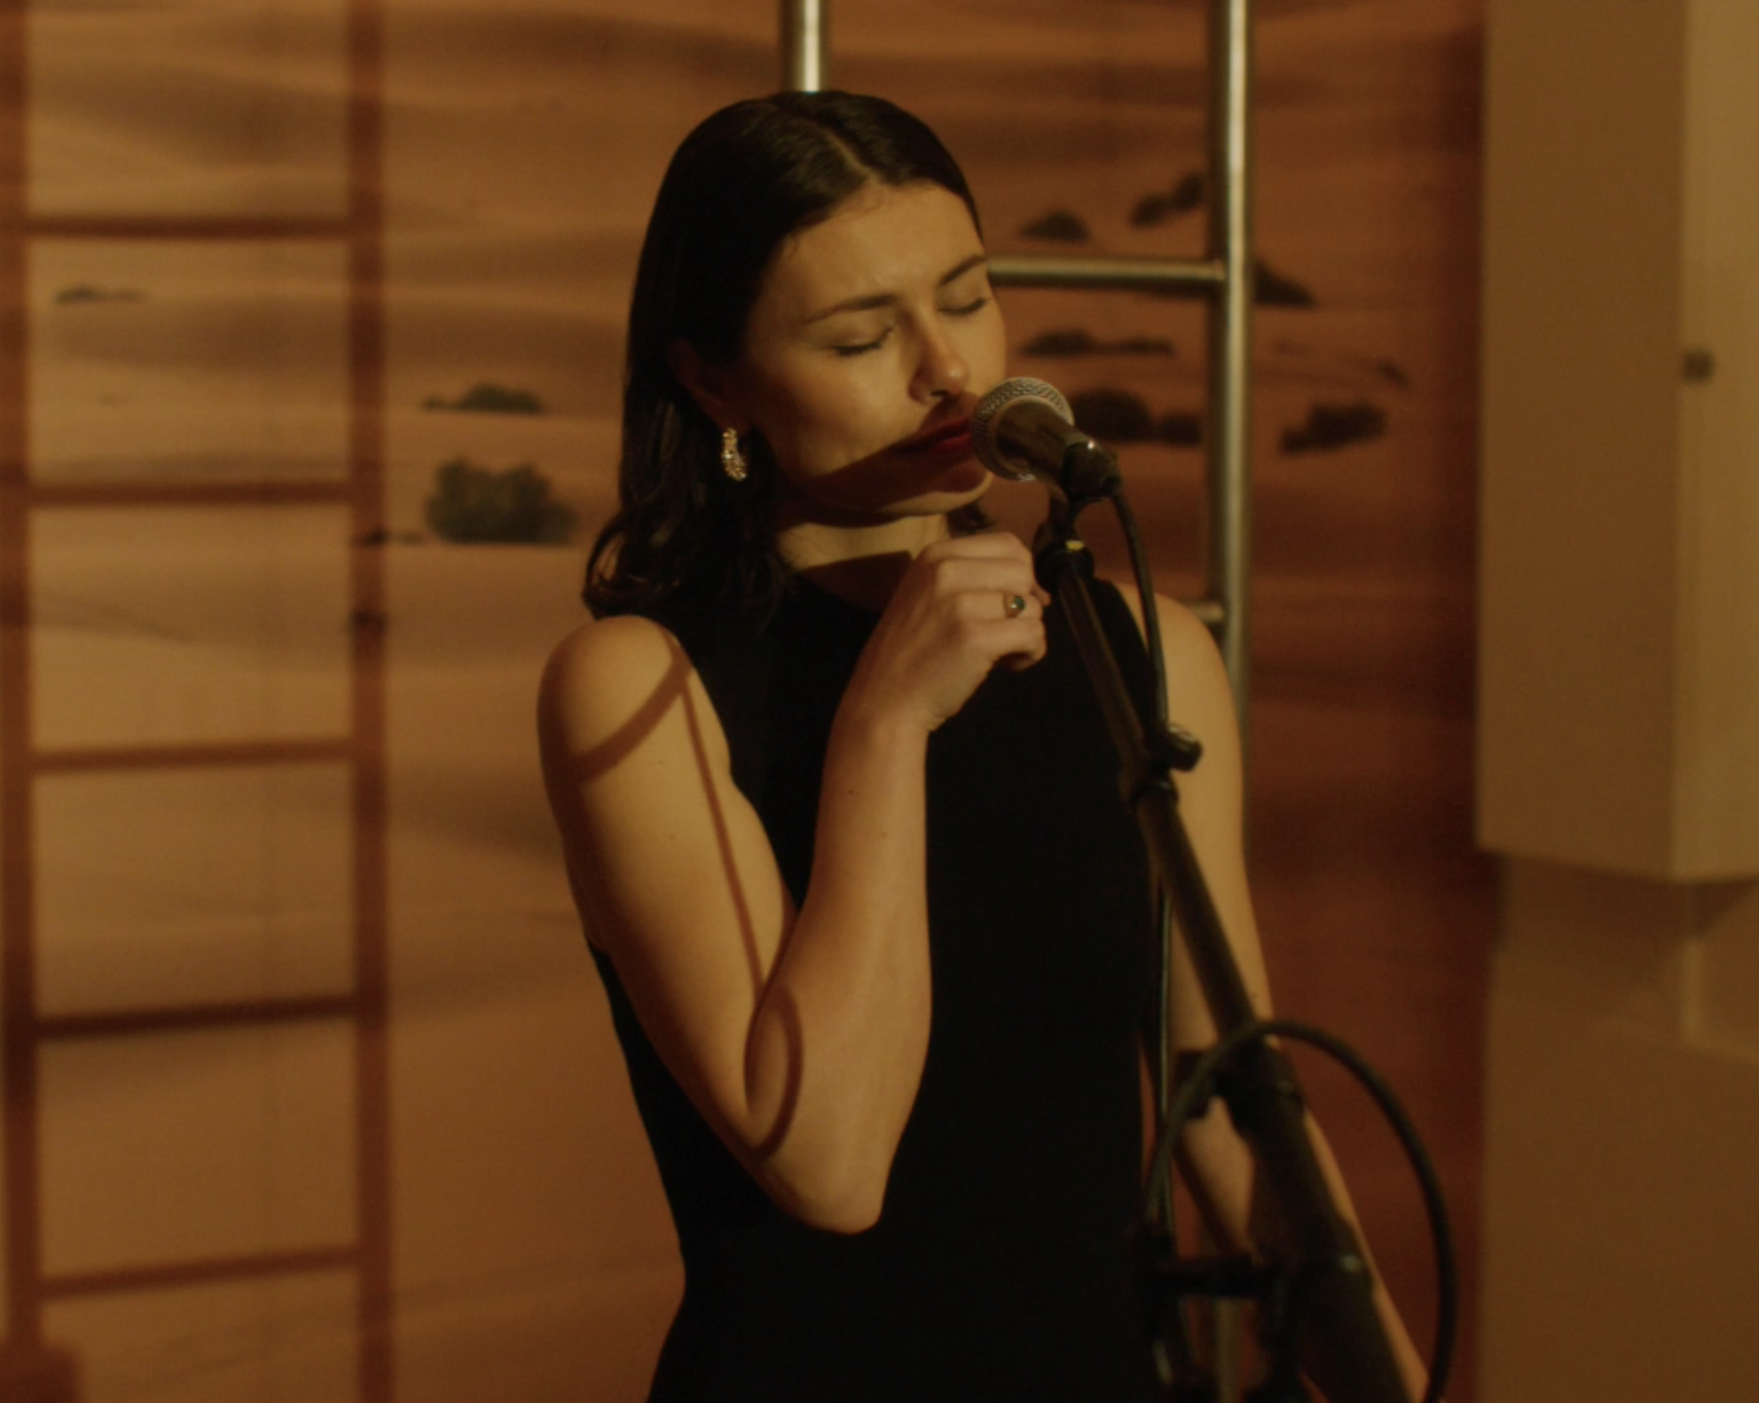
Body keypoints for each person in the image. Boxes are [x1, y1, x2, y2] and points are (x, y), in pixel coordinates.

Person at [538, 92, 1425, 1400]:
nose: (950, 372)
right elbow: (828, 1161)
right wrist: (886, 721)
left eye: (965, 297)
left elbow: (1227, 1092)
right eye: (860, 335)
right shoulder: (638, 687)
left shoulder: (1149, 650)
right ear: (712, 379)